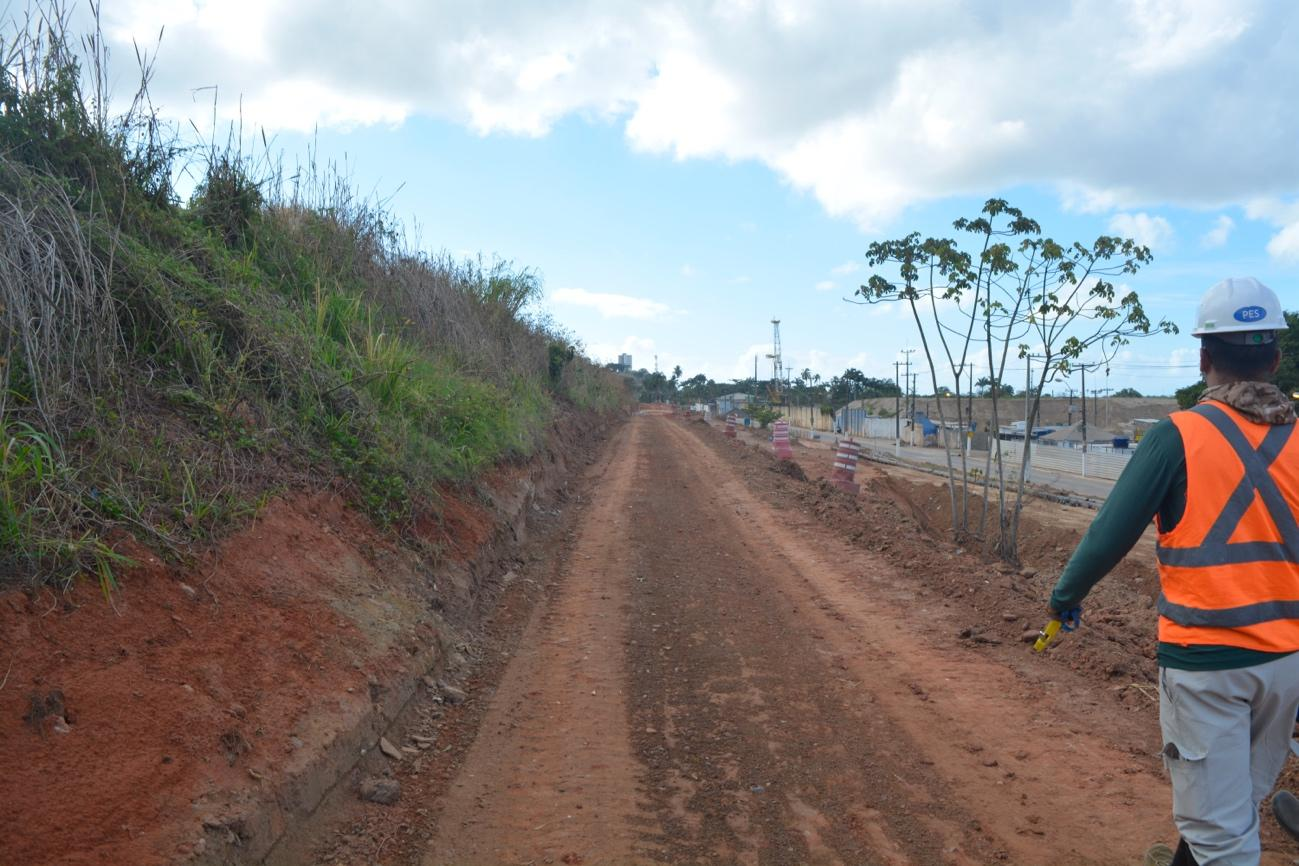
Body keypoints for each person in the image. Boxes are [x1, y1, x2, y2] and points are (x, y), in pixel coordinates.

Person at [1045, 277, 1299, 866]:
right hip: (1286, 665)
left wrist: (1064, 597)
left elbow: (1108, 535)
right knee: (1234, 805)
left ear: (1204, 356)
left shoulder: (1176, 435)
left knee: (1223, 835)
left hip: (1208, 664)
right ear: (1277, 358)